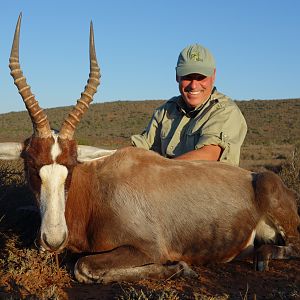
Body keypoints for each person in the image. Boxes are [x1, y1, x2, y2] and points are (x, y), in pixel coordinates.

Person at [131, 44, 247, 166]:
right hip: (166, 182)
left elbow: (210, 154)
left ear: (213, 76)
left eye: (201, 77)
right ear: (177, 76)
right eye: (187, 77)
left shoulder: (225, 111)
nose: (193, 85)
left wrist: (159, 172)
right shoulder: (165, 111)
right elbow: (140, 147)